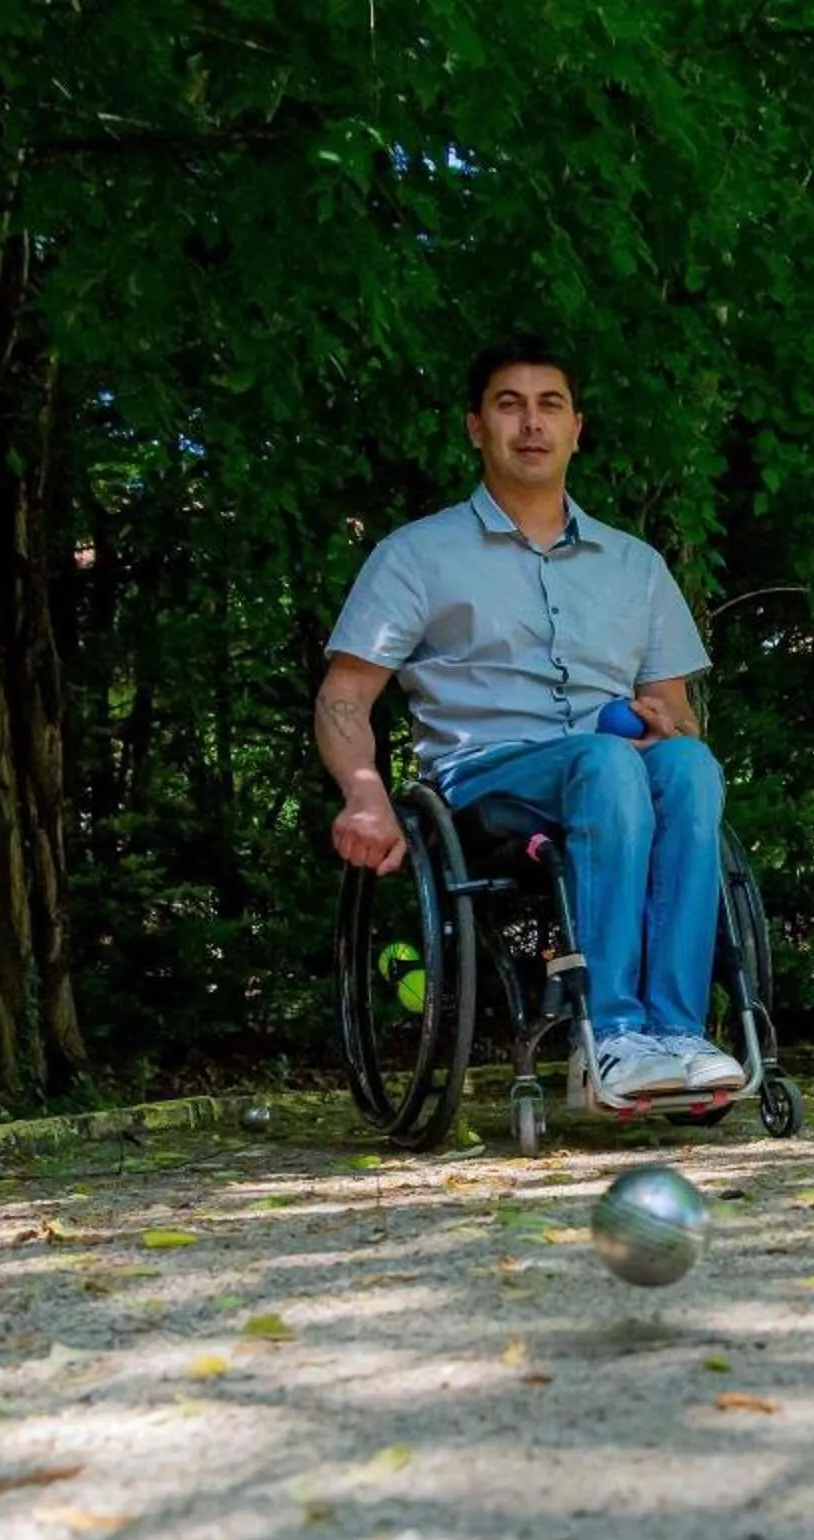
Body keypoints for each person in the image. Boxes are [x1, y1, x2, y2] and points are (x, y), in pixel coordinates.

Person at [314, 339, 739, 1106]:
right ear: (477, 427)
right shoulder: (416, 554)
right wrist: (364, 791)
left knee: (690, 767)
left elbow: (676, 712)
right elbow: (345, 695)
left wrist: (663, 723)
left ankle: (676, 1031)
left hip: (613, 770)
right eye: (510, 405)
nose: (531, 424)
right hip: (485, 778)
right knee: (606, 766)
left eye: (550, 406)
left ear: (578, 428)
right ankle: (608, 1036)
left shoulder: (634, 564)